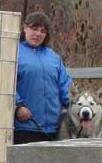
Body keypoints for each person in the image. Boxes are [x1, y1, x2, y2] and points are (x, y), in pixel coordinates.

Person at [14, 11, 72, 144]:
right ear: (25, 28)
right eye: (34, 29)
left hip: (54, 129)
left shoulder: (54, 57)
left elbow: (65, 85)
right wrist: (17, 107)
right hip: (26, 127)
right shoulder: (14, 53)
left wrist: (77, 104)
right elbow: (5, 83)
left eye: (42, 31)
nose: (38, 34)